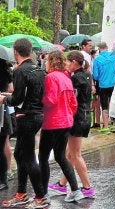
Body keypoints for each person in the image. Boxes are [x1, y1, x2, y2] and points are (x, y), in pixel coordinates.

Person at [0, 38, 47, 208]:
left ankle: (41, 197)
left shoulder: (21, 71)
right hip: (37, 115)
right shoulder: (39, 69)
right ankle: (21, 193)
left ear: (15, 52)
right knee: (20, 154)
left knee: (28, 157)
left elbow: (17, 99)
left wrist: (3, 99)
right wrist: (8, 96)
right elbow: (31, 95)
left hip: (26, 117)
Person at [38, 50, 84, 203]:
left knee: (43, 157)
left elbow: (50, 100)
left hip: (52, 122)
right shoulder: (66, 78)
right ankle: (76, 190)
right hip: (66, 121)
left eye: (47, 61)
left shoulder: (50, 77)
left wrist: (39, 100)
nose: (45, 64)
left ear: (51, 61)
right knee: (60, 156)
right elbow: (73, 103)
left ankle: (43, 193)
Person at [48, 51, 95, 199]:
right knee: (69, 154)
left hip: (78, 119)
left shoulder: (76, 78)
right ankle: (62, 185)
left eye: (68, 62)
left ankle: (87, 187)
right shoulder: (86, 75)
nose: (66, 65)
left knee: (75, 154)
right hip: (85, 116)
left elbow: (71, 99)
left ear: (74, 62)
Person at [92, 42, 115, 133]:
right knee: (112, 104)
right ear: (107, 47)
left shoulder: (97, 59)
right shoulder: (113, 55)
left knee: (104, 105)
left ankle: (106, 126)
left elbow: (96, 76)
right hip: (114, 84)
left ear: (99, 48)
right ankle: (113, 125)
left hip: (103, 85)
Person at [0, 59, 13, 191]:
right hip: (4, 110)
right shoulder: (6, 69)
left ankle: (3, 179)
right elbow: (12, 89)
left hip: (2, 112)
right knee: (3, 145)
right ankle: (3, 178)